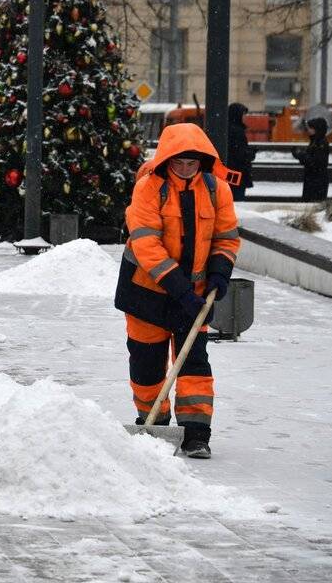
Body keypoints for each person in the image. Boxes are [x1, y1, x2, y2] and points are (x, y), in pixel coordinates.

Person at [114, 123, 241, 459]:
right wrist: (179, 289)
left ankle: (196, 432)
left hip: (197, 296)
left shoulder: (217, 190)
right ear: (166, 160)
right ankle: (153, 418)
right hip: (147, 292)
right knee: (147, 365)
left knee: (194, 365)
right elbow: (146, 242)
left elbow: (226, 237)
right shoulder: (149, 188)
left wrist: (219, 274)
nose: (185, 169)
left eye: (192, 163)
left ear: (203, 161)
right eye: (178, 163)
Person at [292, 117, 330, 201]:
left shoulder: (320, 143)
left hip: (317, 181)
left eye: (311, 128)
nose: (308, 130)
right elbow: (310, 159)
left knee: (313, 204)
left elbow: (315, 162)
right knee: (309, 202)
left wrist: (300, 155)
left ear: (317, 129)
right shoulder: (315, 141)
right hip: (313, 179)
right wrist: (300, 155)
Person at [226, 103, 255, 201]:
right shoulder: (237, 131)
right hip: (236, 174)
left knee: (231, 198)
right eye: (243, 114)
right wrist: (251, 154)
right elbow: (239, 154)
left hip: (230, 173)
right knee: (236, 199)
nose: (245, 117)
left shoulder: (227, 128)